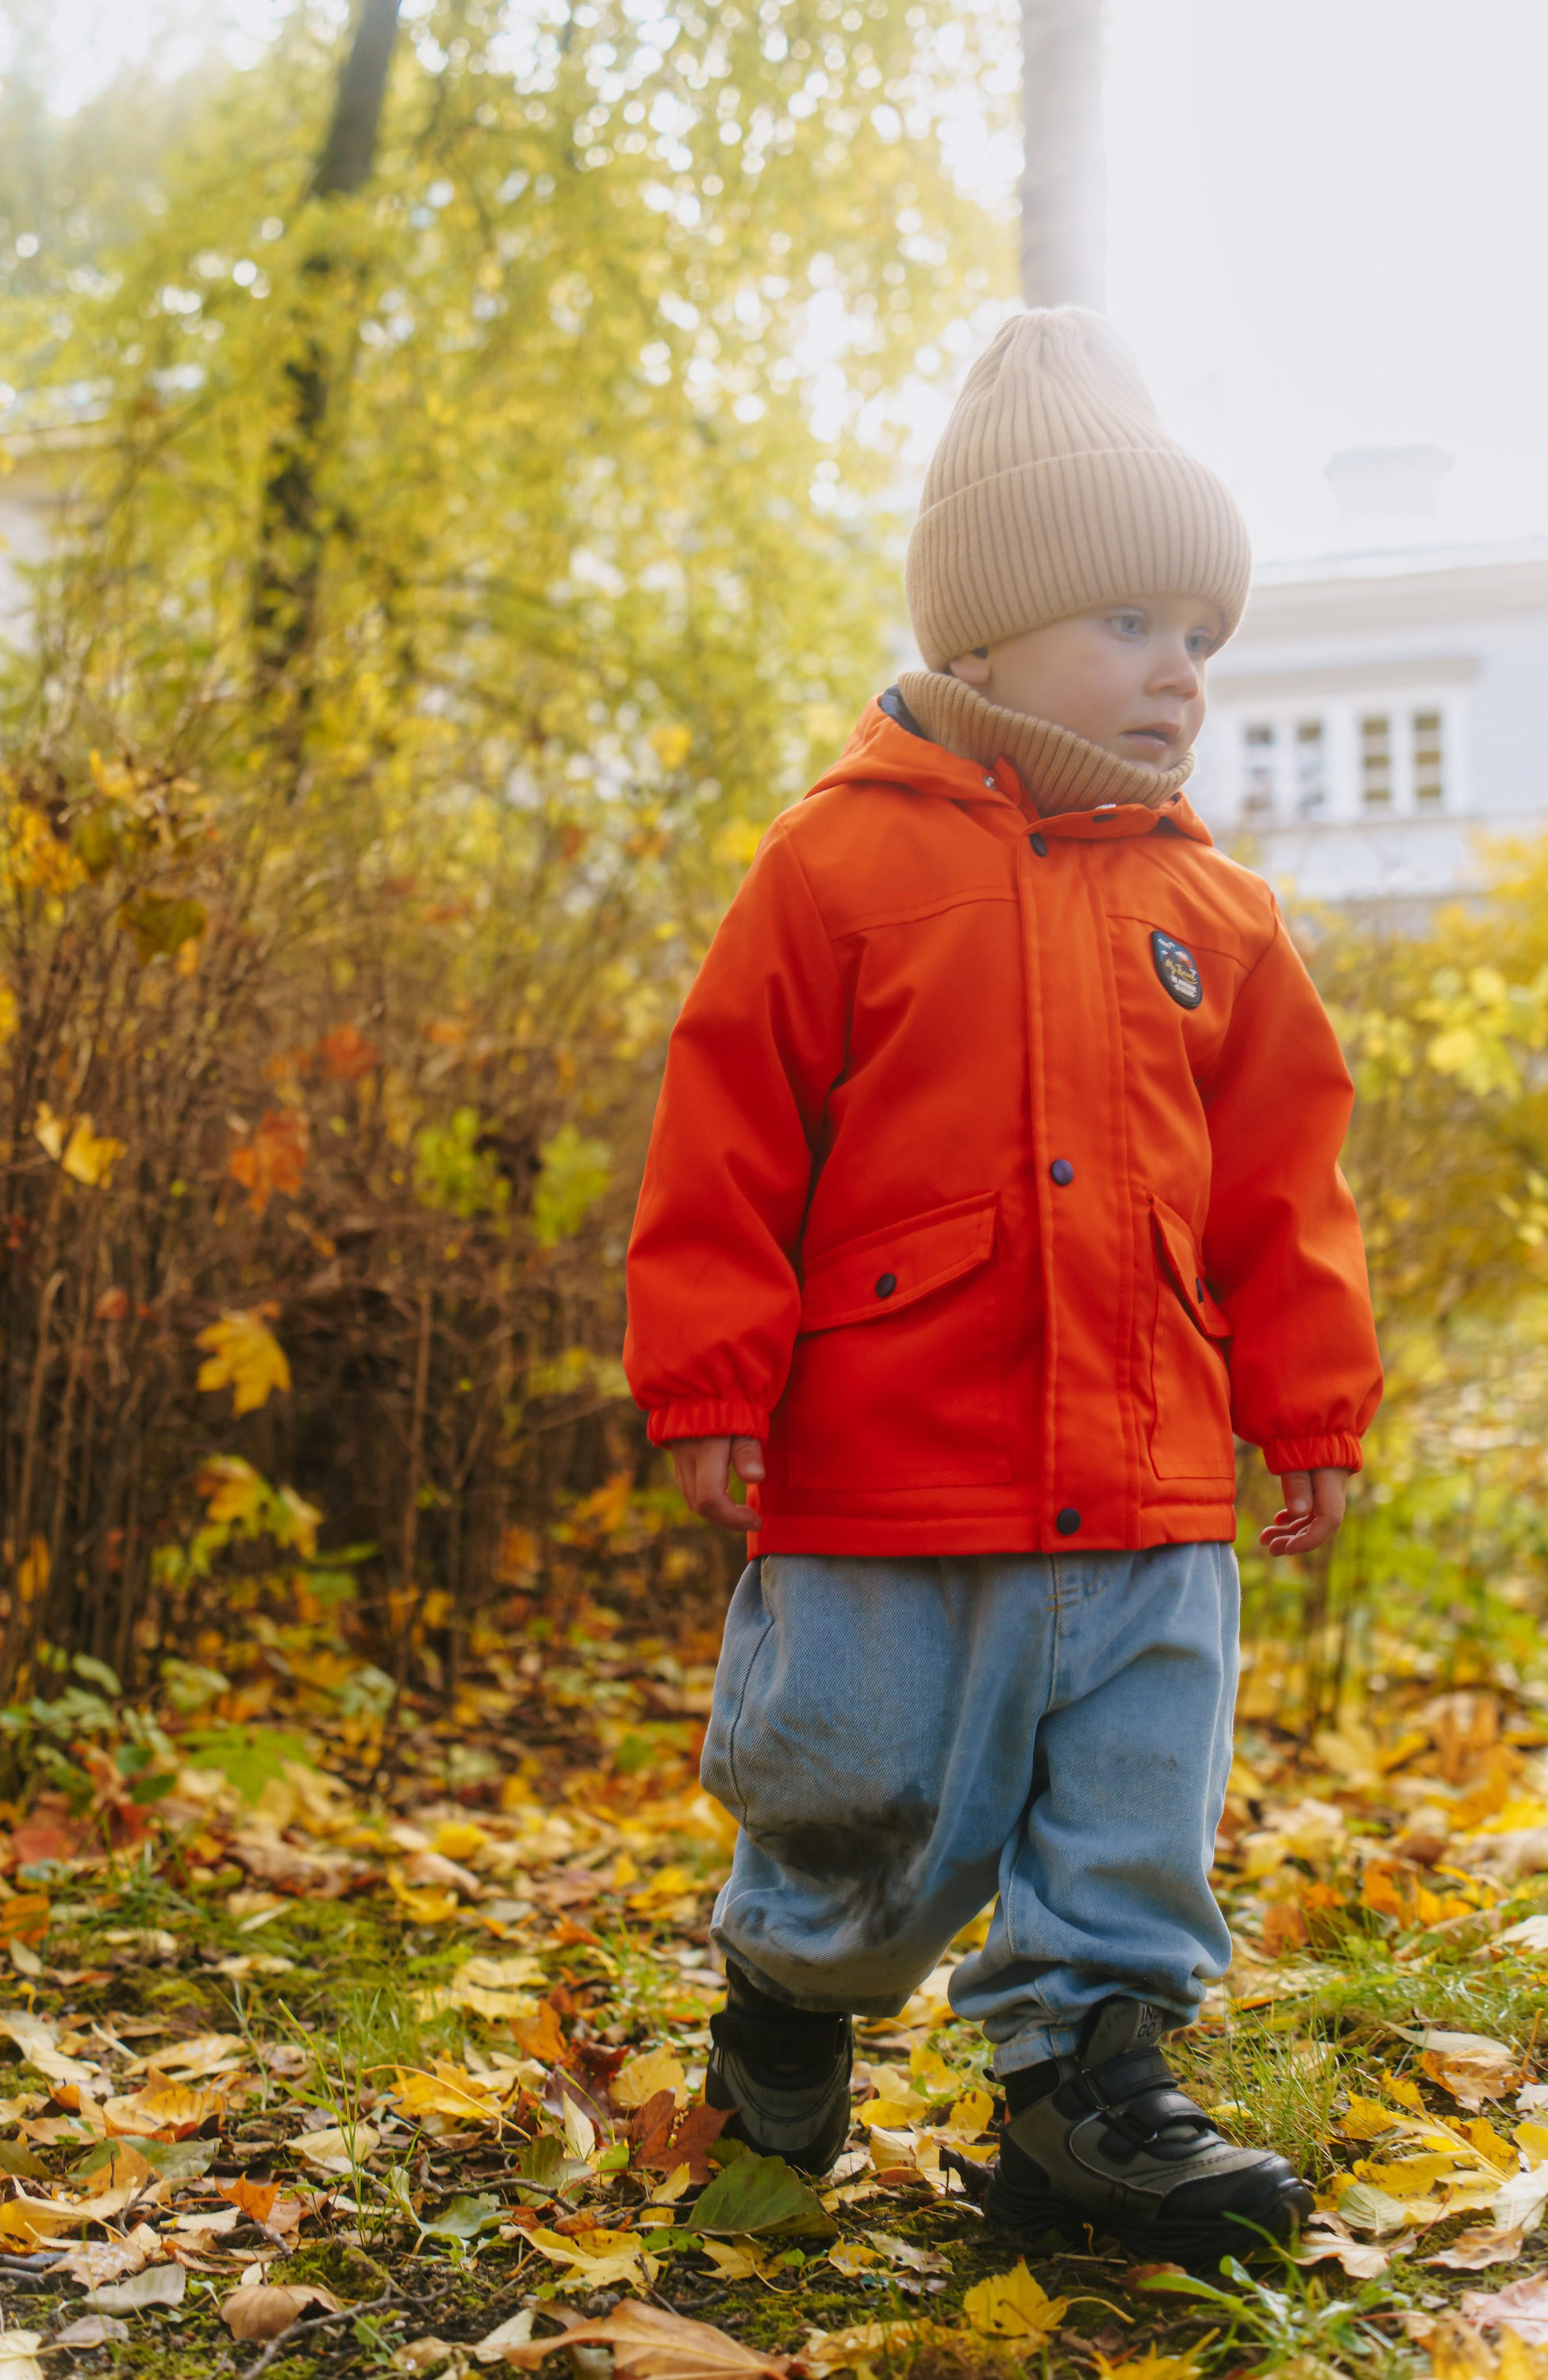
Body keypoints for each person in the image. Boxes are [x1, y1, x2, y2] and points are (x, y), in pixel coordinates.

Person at [622, 309, 1381, 2263]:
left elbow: (1284, 1185)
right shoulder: (834, 867)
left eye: (1199, 633)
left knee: (1133, 1803)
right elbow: (727, 1136)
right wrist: (710, 1378)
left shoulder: (1218, 913)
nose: (1180, 671)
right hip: (891, 1468)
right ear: (980, 642)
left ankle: (1085, 2088)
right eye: (1130, 623)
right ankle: (790, 1996)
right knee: (857, 1802)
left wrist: (1306, 1406)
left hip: (1145, 1479)